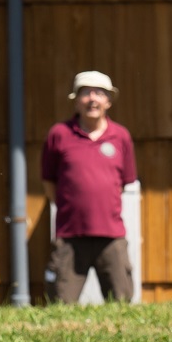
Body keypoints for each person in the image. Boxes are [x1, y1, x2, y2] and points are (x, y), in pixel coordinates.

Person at [41, 71, 138, 304]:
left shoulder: (121, 136)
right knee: (59, 305)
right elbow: (48, 182)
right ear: (76, 99)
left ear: (108, 101)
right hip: (70, 237)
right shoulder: (59, 135)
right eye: (86, 93)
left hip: (111, 236)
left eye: (99, 93)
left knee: (122, 305)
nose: (92, 99)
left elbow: (125, 183)